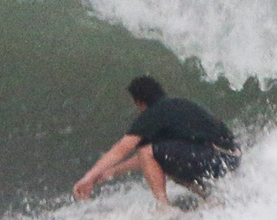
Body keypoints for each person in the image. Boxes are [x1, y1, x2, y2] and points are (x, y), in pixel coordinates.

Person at [74, 76, 240, 207]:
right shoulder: (179, 106)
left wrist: (88, 177)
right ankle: (214, 200)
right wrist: (110, 172)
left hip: (214, 157)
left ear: (138, 102)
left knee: (150, 152)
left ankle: (163, 209)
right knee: (164, 161)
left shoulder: (153, 114)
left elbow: (122, 149)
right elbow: (150, 161)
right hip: (230, 159)